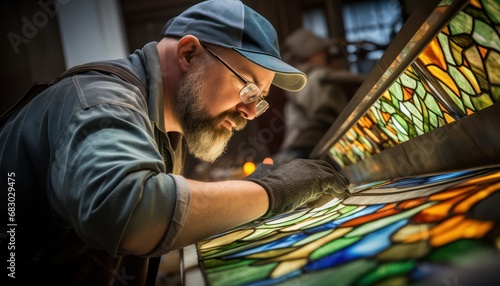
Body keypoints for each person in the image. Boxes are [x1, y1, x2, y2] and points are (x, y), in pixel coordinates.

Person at [0, 1, 350, 285]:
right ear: (188, 53)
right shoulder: (103, 101)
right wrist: (275, 191)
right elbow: (129, 211)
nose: (250, 112)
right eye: (247, 88)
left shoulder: (168, 125)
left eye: (260, 99)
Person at [273, 29, 350, 164]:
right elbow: (324, 118)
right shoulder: (318, 77)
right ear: (312, 55)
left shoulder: (295, 78)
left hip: (294, 150)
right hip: (308, 149)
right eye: (322, 52)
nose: (326, 56)